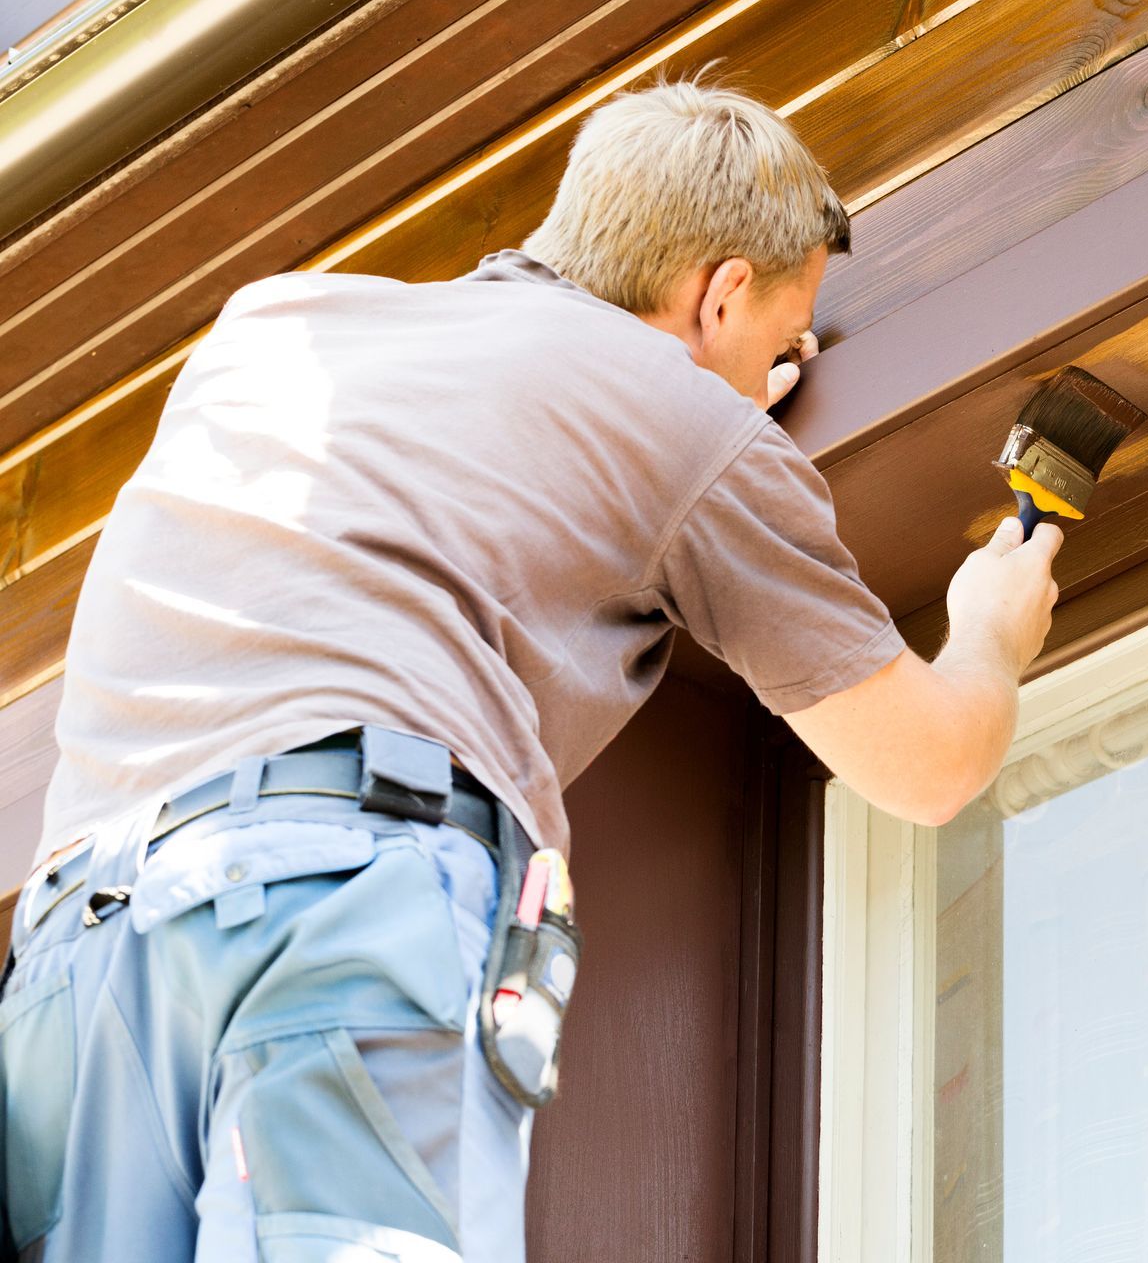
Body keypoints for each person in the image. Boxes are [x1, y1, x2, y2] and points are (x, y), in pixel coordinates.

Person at [0, 80, 1061, 1262]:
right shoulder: (685, 426)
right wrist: (990, 638)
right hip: (340, 895)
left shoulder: (270, 328)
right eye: (781, 339)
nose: (780, 372)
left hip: (77, 951)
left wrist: (707, 386)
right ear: (719, 294)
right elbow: (928, 765)